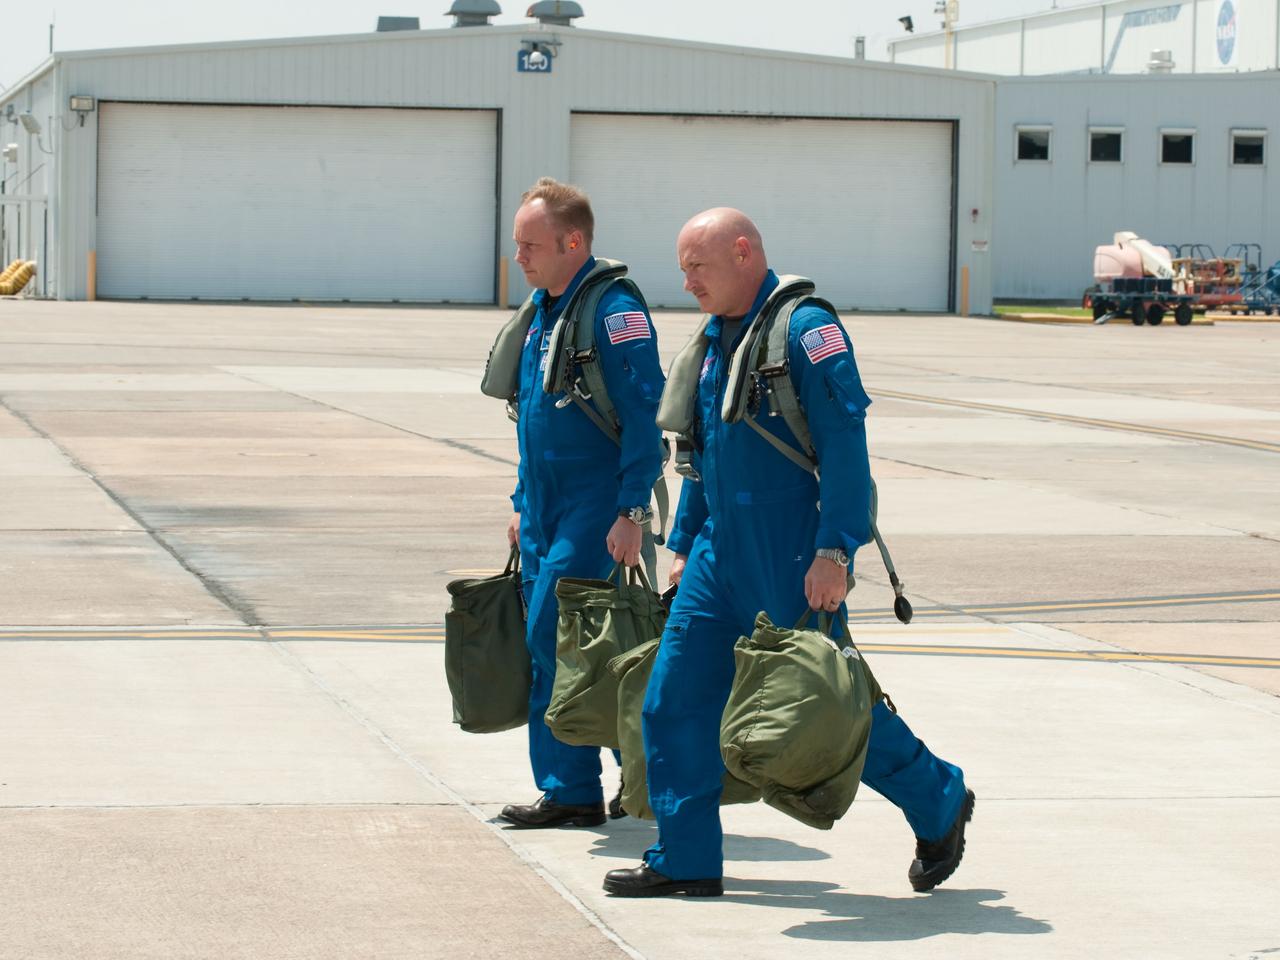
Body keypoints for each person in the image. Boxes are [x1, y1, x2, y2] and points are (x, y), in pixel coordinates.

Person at [603, 208, 973, 897]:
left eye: (697, 266)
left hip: (791, 553)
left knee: (823, 707)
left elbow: (845, 450)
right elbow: (706, 457)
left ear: (743, 253)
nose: (686, 282)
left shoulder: (805, 332)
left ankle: (940, 799)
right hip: (718, 560)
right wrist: (683, 545)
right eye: (683, 267)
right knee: (671, 702)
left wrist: (835, 550)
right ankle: (685, 859)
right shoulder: (716, 341)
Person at [485, 178, 666, 829]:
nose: (520, 257)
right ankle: (577, 789)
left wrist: (632, 511)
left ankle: (610, 780)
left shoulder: (612, 311)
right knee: (555, 649)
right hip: (542, 509)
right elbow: (531, 418)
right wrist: (518, 503)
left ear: (573, 241)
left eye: (530, 245)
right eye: (517, 245)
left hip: (594, 507)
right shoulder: (543, 310)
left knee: (562, 641)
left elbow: (646, 417)